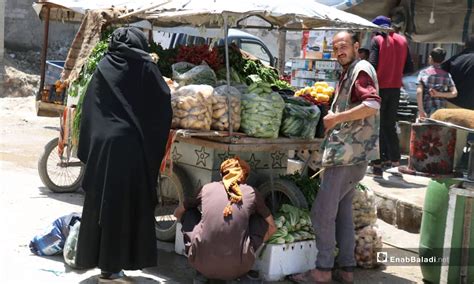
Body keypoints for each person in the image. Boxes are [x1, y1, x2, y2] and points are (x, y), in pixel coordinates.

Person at [75, 27, 173, 282]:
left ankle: (105, 266)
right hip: (130, 148)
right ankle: (115, 268)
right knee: (125, 206)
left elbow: (89, 107)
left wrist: (91, 143)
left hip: (102, 148)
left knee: (103, 205)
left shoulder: (103, 67)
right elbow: (163, 103)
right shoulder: (145, 67)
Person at [291, 30, 380, 283]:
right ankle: (347, 269)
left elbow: (372, 104)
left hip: (347, 156)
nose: (339, 51)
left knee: (321, 212)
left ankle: (322, 270)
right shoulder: (350, 71)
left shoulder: (360, 69)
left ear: (356, 45)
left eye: (344, 46)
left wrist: (334, 118)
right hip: (355, 156)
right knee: (342, 212)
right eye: (335, 48)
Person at [174, 157, 277, 283]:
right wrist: (250, 248)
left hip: (201, 264)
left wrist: (192, 228)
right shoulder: (251, 192)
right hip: (239, 268)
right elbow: (272, 227)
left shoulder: (206, 188)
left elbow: (177, 213)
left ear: (221, 174)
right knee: (259, 221)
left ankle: (202, 263)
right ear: (244, 176)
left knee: (189, 213)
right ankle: (239, 260)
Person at [369, 15, 414, 176]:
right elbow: (409, 67)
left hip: (379, 88)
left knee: (377, 126)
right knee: (389, 125)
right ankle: (394, 161)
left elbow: (373, 65)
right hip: (395, 89)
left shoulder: (377, 40)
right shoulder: (403, 41)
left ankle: (377, 164)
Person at [416, 47, 457, 118]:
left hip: (426, 109)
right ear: (443, 60)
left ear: (430, 58)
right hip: (440, 112)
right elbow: (454, 93)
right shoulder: (446, 75)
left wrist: (421, 110)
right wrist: (438, 94)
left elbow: (419, 91)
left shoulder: (424, 73)